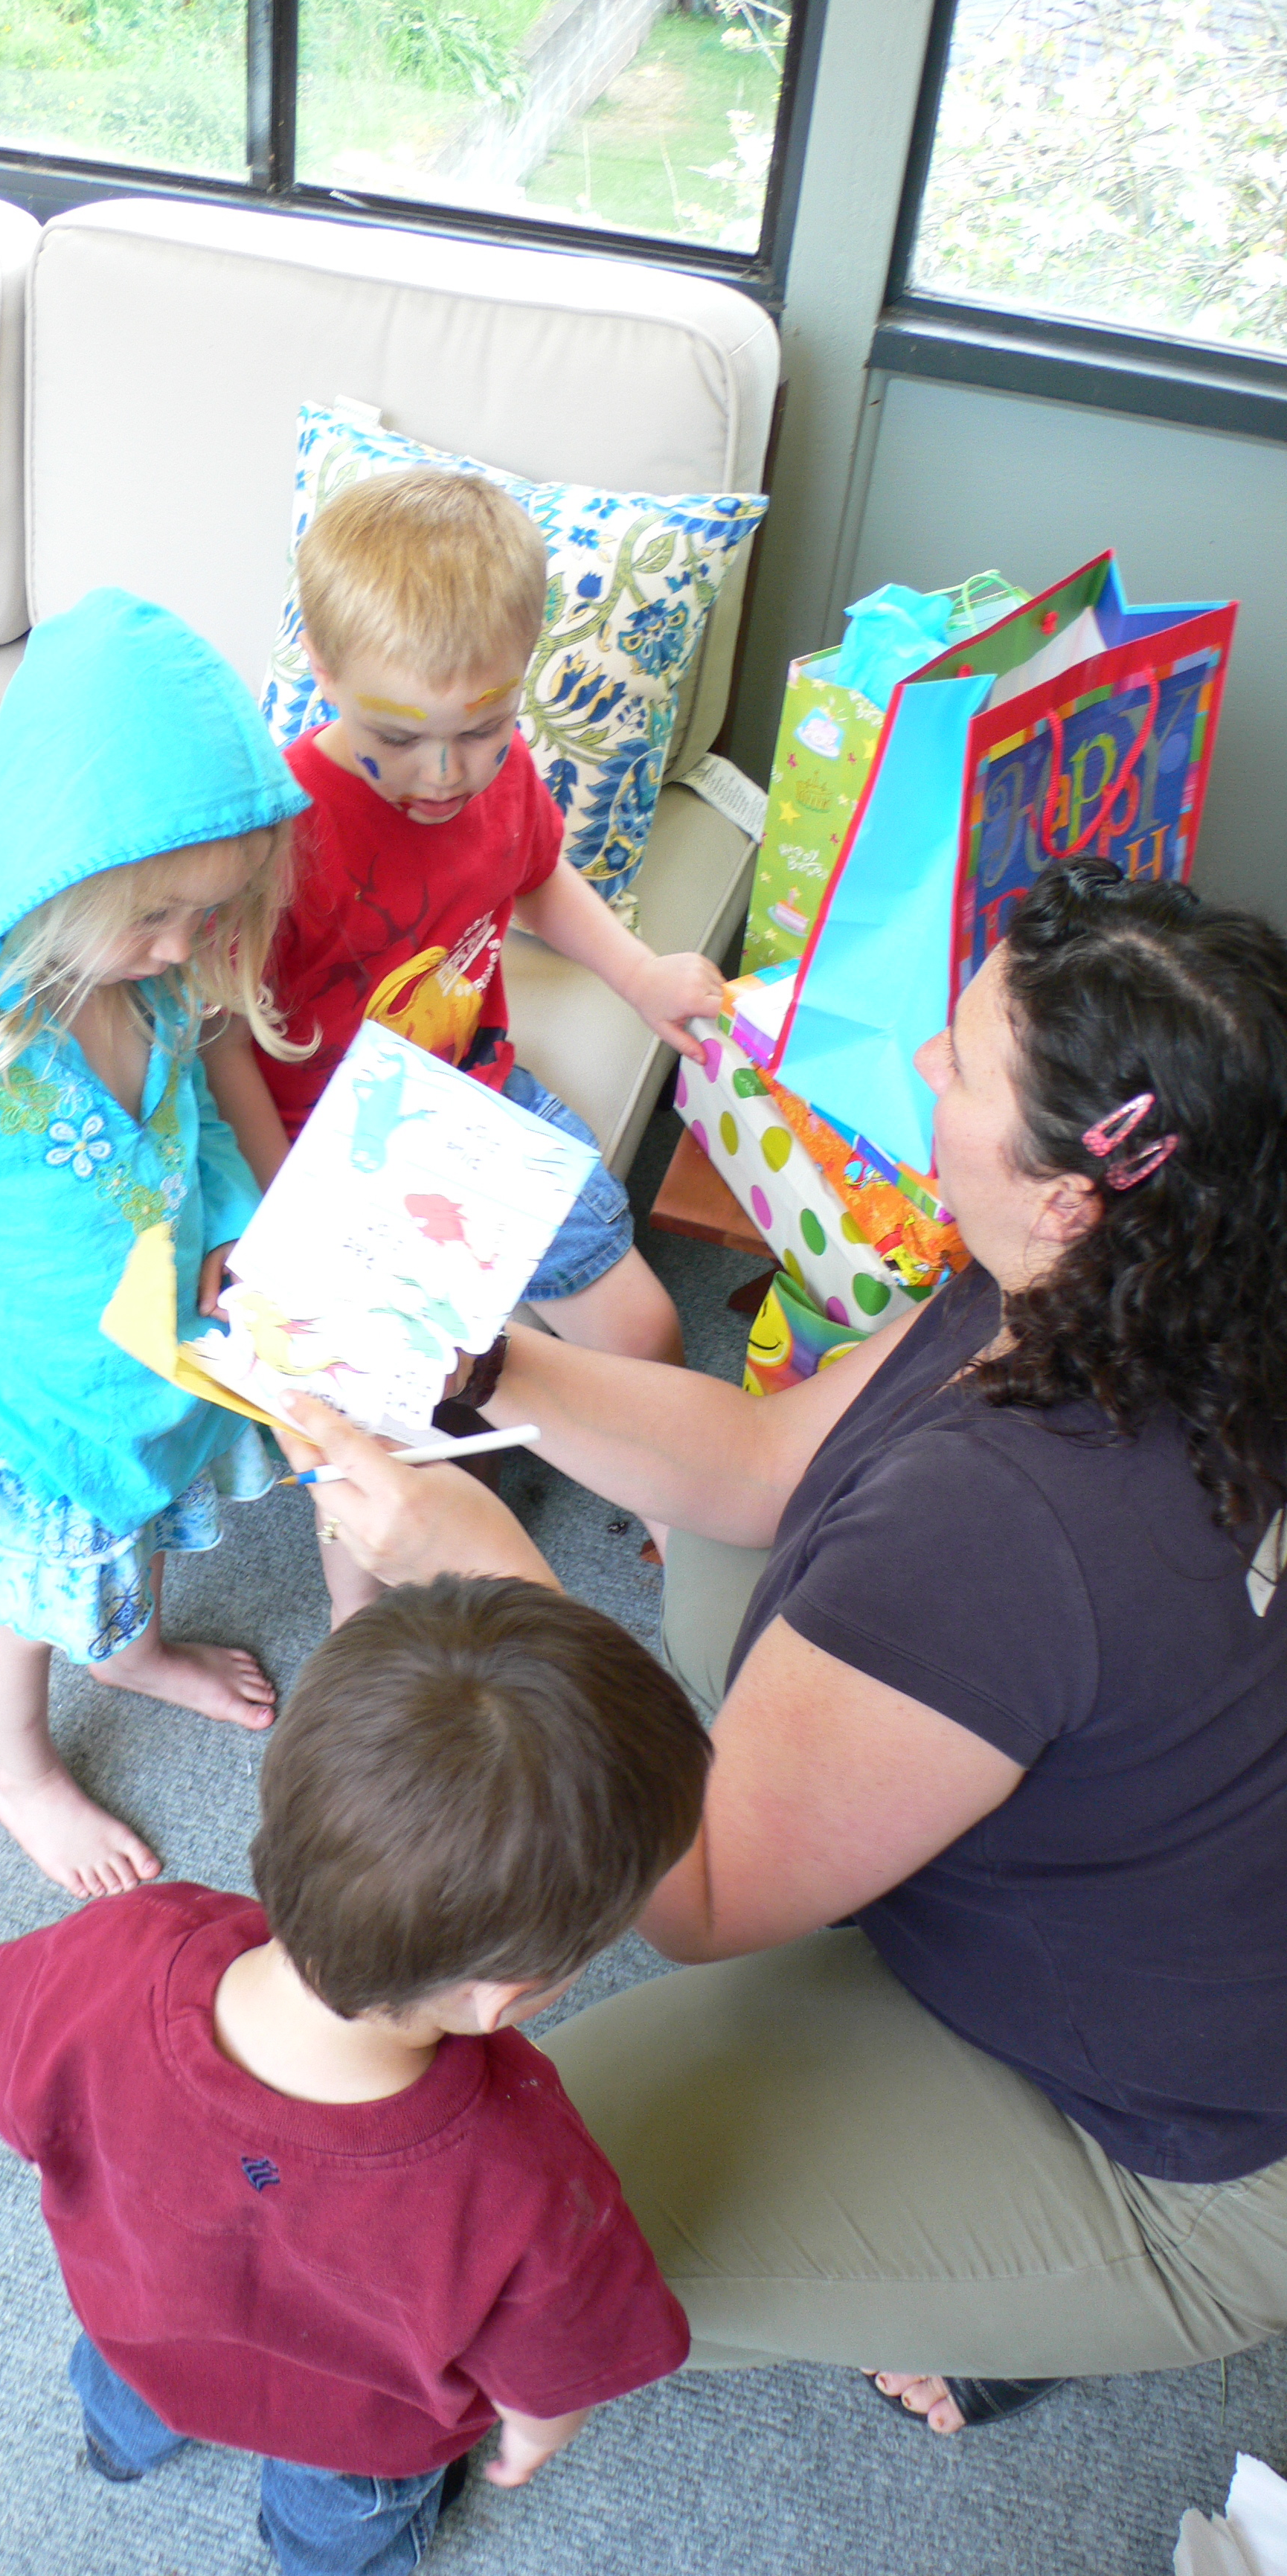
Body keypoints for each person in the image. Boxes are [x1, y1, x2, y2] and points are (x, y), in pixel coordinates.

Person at [272, 860, 1287, 2438]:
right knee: (726, 1581)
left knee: (524, 2225)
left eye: (964, 1064)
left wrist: (489, 1570)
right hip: (1152, 1874)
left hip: (1186, 2148)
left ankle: (1030, 2294)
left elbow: (695, 1905)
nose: (925, 1063)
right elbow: (766, 1461)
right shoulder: (1144, 1284)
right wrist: (478, 1368)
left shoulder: (1001, 1527)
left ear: (1072, 1197)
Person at [0, 1575, 707, 2573]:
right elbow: (555, 2364)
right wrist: (536, 2433)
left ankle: (116, 2449)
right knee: (341, 2523)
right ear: (504, 1997)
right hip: (360, 2434)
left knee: (128, 2388)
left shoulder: (122, 1943)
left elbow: (16, 2097)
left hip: (137, 2324)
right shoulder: (528, 2171)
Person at [0, 589, 309, 1900]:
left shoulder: (156, 966)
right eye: (157, 918)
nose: (186, 947)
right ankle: (19, 1770)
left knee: (131, 1547)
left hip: (154, 1365)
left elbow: (195, 1117)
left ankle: (131, 1648)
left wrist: (232, 1224)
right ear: (54, 872)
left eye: (208, 913)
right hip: (24, 1413)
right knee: (21, 1614)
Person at [204, 466, 725, 1616]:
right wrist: (277, 1205)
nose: (443, 775)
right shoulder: (283, 835)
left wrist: (639, 974)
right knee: (376, 1453)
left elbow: (535, 877)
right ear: (321, 671)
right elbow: (222, 1034)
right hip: (329, 1161)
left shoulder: (504, 777)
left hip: (479, 1104)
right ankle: (360, 1627)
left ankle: (680, 1526)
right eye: (398, 738)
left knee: (644, 1328)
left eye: (482, 730)